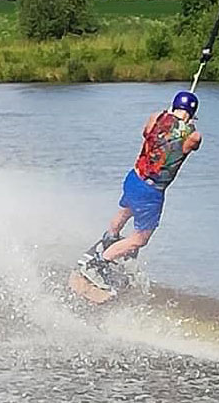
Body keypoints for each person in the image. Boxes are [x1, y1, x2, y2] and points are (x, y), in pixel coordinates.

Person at [79, 90, 203, 290]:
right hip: (151, 190)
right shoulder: (194, 135)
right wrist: (188, 125)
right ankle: (98, 263)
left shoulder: (156, 117)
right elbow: (193, 144)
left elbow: (147, 132)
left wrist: (169, 118)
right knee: (140, 239)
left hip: (134, 177)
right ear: (193, 113)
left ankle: (108, 239)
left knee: (126, 210)